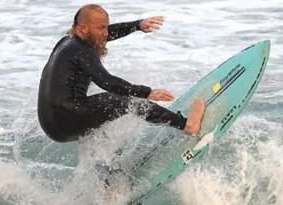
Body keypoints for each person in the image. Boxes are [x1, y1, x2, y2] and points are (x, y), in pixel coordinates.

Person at [38, 4, 205, 143]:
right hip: (69, 116)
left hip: (51, 124)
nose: (106, 33)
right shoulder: (81, 50)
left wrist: (137, 25)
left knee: (98, 130)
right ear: (83, 28)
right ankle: (187, 125)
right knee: (129, 103)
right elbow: (107, 82)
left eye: (106, 27)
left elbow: (106, 33)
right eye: (101, 28)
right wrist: (147, 92)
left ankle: (107, 177)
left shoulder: (67, 42)